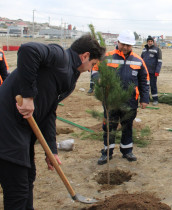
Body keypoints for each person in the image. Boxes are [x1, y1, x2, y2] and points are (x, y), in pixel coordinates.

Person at [0, 34, 106, 210]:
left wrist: (51, 149)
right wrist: (28, 96)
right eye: (93, 64)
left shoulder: (71, 77)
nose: (90, 70)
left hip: (22, 131)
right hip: (6, 127)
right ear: (85, 55)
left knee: (28, 177)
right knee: (17, 188)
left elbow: (49, 111)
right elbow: (28, 50)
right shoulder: (59, 56)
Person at [97, 30, 150, 165]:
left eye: (128, 45)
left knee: (127, 126)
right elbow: (95, 70)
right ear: (118, 42)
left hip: (130, 100)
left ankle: (127, 151)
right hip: (111, 100)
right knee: (110, 126)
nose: (125, 47)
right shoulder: (108, 57)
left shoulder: (138, 60)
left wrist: (144, 99)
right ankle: (107, 153)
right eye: (123, 44)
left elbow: (144, 80)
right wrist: (97, 80)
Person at [141, 35, 162, 105]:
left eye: (151, 41)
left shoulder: (157, 49)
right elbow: (141, 60)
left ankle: (155, 100)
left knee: (153, 85)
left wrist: (157, 71)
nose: (150, 42)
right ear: (147, 42)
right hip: (144, 72)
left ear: (153, 42)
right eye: (149, 41)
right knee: (145, 85)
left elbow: (159, 61)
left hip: (153, 72)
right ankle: (147, 98)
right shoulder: (144, 50)